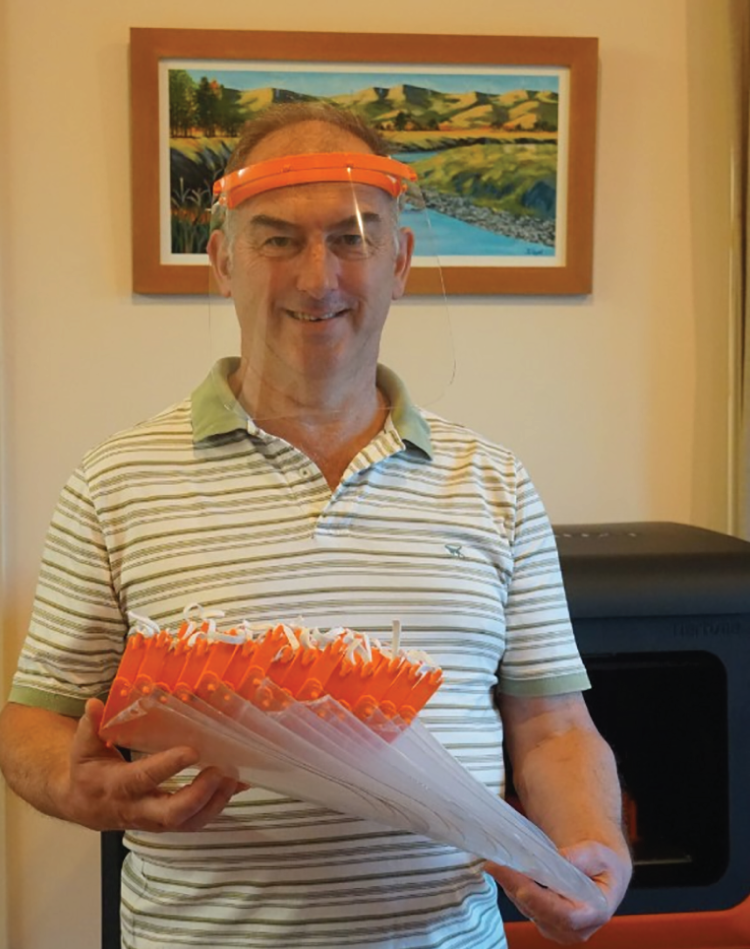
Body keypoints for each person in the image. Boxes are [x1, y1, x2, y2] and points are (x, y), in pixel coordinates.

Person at [0, 101, 631, 948]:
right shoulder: (113, 481)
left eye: (352, 237)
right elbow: (32, 722)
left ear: (399, 261)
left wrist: (592, 845)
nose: (317, 278)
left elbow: (554, 726)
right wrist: (76, 789)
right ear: (223, 260)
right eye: (277, 238)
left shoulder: (495, 483)